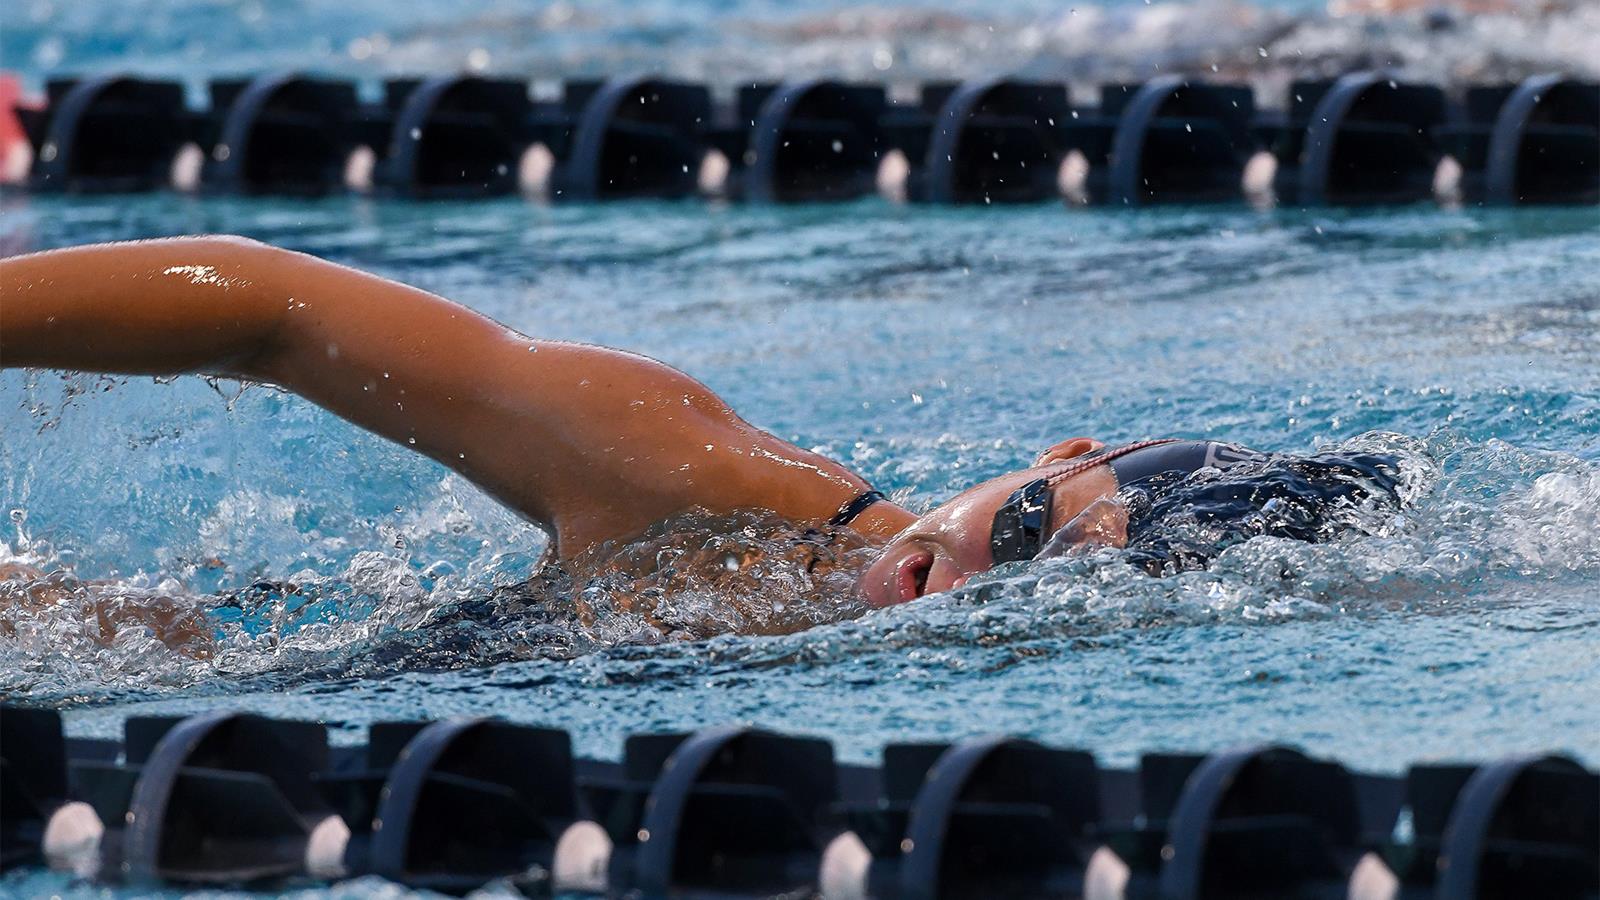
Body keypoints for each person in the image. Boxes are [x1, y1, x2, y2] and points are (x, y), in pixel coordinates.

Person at [1, 237, 1404, 643]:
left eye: (1043, 605)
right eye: (1020, 533)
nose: (960, 582)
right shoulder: (692, 476)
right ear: (1051, 454)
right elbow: (274, 309)